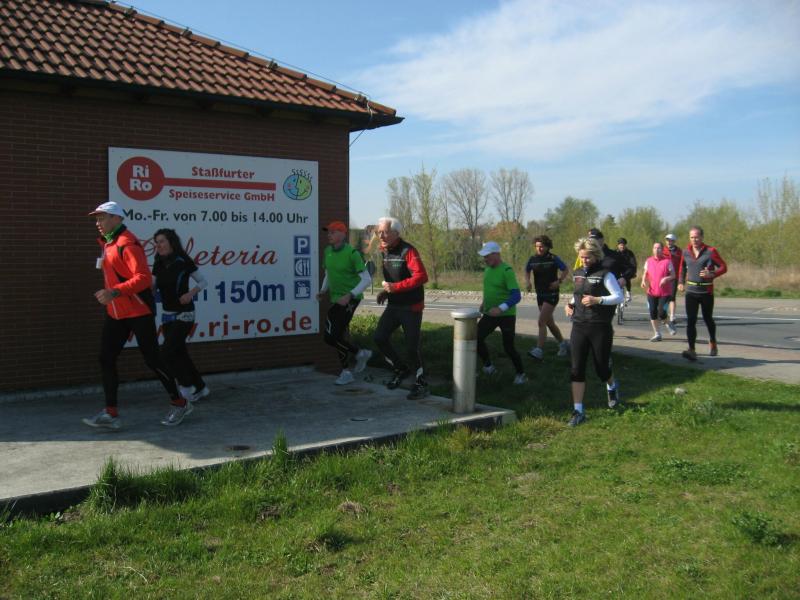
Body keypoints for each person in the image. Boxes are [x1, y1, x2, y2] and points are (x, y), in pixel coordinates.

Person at [82, 202, 192, 430]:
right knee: (106, 357)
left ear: (116, 219)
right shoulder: (108, 243)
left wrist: (113, 292)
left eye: (102, 218)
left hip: (138, 311)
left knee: (153, 359)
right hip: (116, 312)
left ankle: (180, 403)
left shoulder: (127, 243)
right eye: (97, 219)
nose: (98, 223)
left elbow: (142, 278)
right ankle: (111, 413)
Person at [565, 237, 624, 427]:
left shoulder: (606, 274)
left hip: (599, 326)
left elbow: (619, 296)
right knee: (576, 369)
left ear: (596, 256)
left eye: (587, 257)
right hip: (579, 325)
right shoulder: (577, 273)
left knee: (601, 369)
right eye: (581, 257)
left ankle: (612, 385)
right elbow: (578, 294)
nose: (584, 261)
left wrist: (598, 300)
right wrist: (570, 304)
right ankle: (578, 411)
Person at [373, 217, 430, 400]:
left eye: (385, 232)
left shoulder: (408, 250)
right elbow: (396, 276)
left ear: (396, 233)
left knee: (412, 347)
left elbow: (421, 276)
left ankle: (421, 383)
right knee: (379, 337)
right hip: (394, 305)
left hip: (411, 306)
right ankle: (401, 369)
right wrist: (386, 292)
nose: (380, 235)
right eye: (379, 232)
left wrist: (395, 288)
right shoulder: (384, 251)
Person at [152, 228, 210, 403]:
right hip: (167, 314)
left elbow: (203, 281)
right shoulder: (158, 262)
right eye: (156, 242)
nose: (158, 245)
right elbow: (153, 285)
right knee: (179, 352)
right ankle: (201, 387)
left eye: (162, 241)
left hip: (185, 313)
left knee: (166, 352)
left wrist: (190, 294)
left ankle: (186, 386)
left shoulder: (183, 260)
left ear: (171, 242)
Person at [316, 220, 373, 385]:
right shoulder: (328, 251)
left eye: (333, 232)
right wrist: (322, 290)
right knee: (335, 336)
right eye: (328, 232)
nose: (329, 235)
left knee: (331, 337)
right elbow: (328, 274)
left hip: (350, 300)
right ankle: (349, 369)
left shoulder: (352, 253)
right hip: (336, 299)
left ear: (342, 234)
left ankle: (358, 355)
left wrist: (350, 295)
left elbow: (367, 279)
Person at [477, 241, 527, 384]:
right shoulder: (487, 270)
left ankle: (521, 374)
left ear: (496, 254)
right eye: (484, 256)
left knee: (508, 347)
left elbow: (516, 296)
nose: (485, 259)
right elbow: (490, 289)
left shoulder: (507, 271)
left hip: (506, 316)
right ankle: (488, 367)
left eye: (487, 256)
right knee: (476, 338)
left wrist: (501, 308)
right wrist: (484, 303)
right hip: (490, 314)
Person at [678, 226, 727, 360]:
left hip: (706, 291)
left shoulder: (711, 251)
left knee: (707, 318)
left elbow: (723, 267)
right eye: (692, 237)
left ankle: (713, 342)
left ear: (702, 237)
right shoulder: (685, 252)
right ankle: (691, 349)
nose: (694, 240)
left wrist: (712, 274)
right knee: (691, 320)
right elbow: (682, 268)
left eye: (697, 237)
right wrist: (680, 282)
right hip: (691, 291)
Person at [524, 235, 570, 360]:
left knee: (541, 321)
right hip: (540, 294)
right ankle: (563, 344)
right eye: (537, 246)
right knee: (549, 323)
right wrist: (528, 282)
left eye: (542, 246)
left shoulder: (553, 258)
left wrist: (559, 281)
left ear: (547, 246)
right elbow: (527, 270)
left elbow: (565, 269)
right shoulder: (532, 259)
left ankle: (538, 350)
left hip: (552, 294)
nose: (539, 249)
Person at [641, 241, 675, 341]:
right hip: (651, 291)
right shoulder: (649, 261)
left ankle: (668, 323)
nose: (657, 250)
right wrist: (643, 280)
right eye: (655, 248)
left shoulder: (667, 261)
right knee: (652, 312)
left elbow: (673, 275)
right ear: (653, 249)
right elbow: (645, 272)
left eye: (659, 248)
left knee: (661, 313)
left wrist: (666, 279)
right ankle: (657, 334)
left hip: (664, 292)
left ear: (662, 250)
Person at [663, 233, 681, 335]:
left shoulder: (679, 251)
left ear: (674, 241)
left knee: (672, 297)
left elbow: (682, 264)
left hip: (674, 277)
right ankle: (663, 315)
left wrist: (681, 278)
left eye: (671, 241)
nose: (669, 242)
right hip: (664, 277)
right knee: (664, 296)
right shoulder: (662, 250)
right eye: (667, 240)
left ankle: (672, 316)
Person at [616, 237, 637, 305]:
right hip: (617, 269)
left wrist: (633, 270)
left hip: (627, 269)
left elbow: (633, 263)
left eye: (623, 245)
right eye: (620, 245)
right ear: (618, 245)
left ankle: (628, 292)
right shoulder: (615, 252)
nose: (622, 246)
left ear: (625, 245)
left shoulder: (629, 253)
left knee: (626, 276)